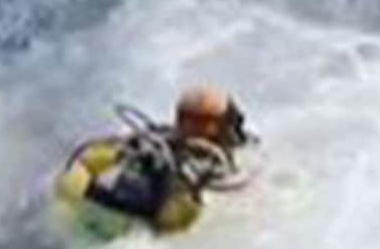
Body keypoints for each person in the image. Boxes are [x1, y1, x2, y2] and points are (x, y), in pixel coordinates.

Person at [54, 85, 254, 239]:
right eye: (226, 122)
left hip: (100, 207)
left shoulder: (150, 139)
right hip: (133, 220)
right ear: (214, 127)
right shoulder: (208, 163)